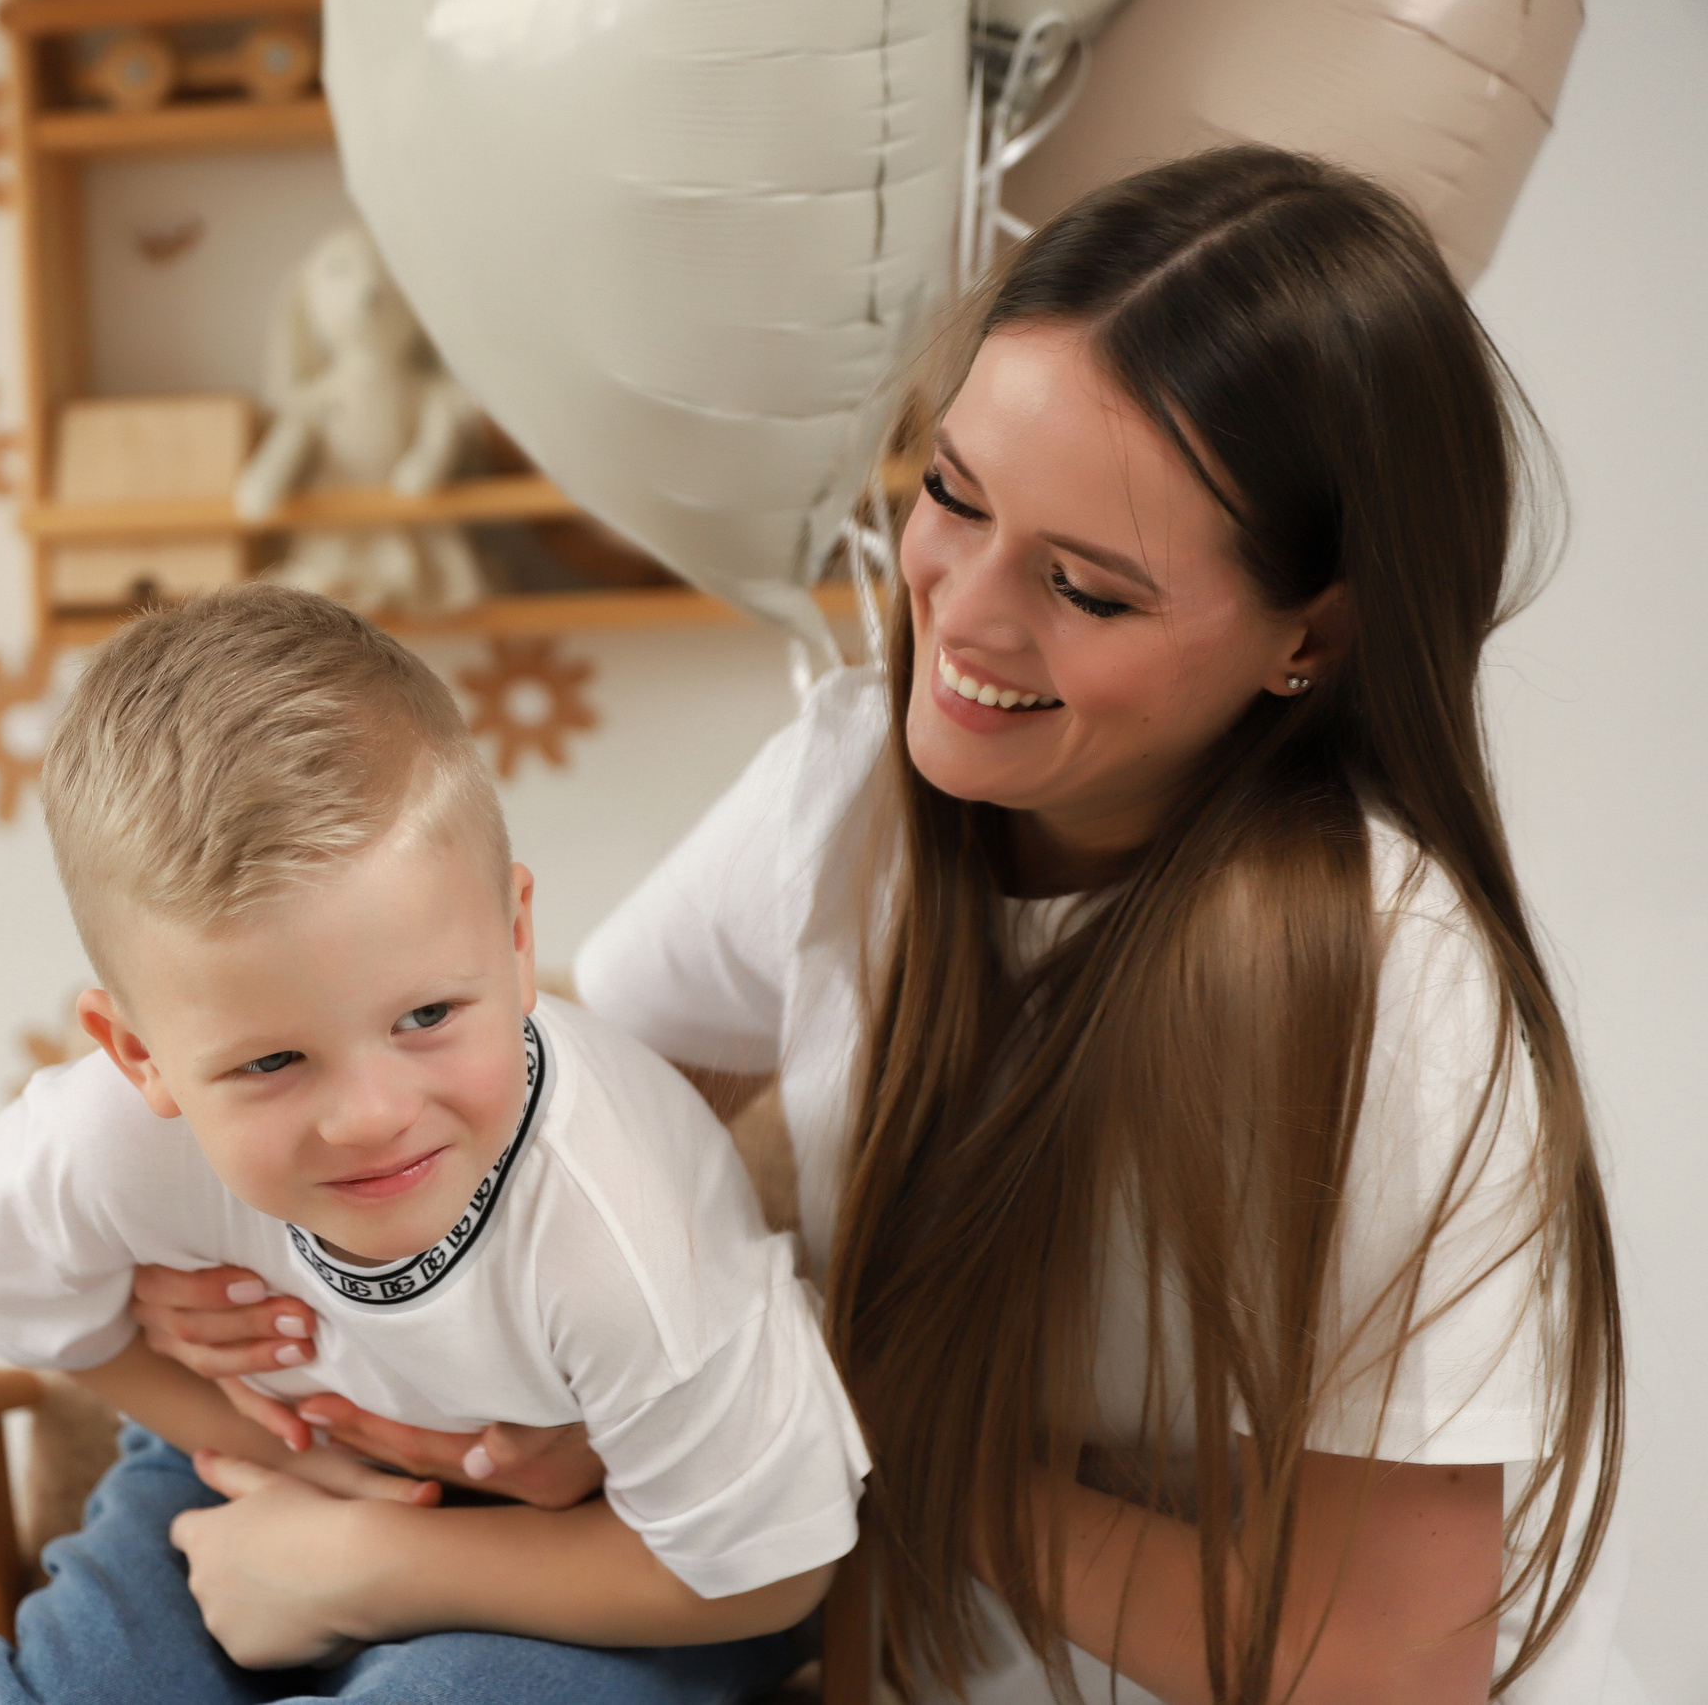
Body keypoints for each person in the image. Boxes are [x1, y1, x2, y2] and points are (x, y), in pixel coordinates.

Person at [119, 147, 1629, 1705]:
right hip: (872, 1605)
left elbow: (1383, 1664)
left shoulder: (1390, 994)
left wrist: (833, 1412)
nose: (960, 615)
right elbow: (538, 1140)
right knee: (163, 1475)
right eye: (953, 495)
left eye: (1089, 590)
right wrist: (242, 1272)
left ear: (1307, 635)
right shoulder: (845, 789)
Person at [0, 584, 868, 1704]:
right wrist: (278, 1451)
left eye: (425, 1017)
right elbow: (29, 1302)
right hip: (265, 1454)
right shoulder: (94, 1148)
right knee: (93, 1673)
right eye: (272, 1063)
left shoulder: (622, 1226)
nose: (371, 1115)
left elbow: (771, 1572)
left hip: (627, 1542)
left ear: (516, 942)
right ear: (137, 1054)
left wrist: (367, 1574)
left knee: (454, 1693)